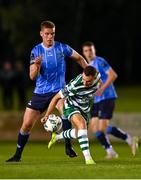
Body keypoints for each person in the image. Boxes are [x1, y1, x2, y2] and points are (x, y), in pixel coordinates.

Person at [6, 20, 88, 162]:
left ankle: (68, 146)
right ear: (41, 34)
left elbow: (80, 59)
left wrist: (89, 75)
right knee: (26, 124)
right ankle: (17, 155)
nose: (50, 37)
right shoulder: (36, 51)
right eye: (47, 34)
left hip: (59, 91)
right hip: (40, 93)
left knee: (65, 111)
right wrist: (36, 66)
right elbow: (32, 76)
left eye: (52, 34)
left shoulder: (63, 48)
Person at [82, 41, 138, 158]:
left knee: (102, 128)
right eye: (86, 51)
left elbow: (113, 75)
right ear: (83, 52)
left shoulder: (99, 61)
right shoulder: (89, 66)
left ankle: (129, 139)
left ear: (94, 50)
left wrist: (102, 89)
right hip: (97, 100)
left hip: (107, 97)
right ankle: (110, 151)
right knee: (94, 128)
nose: (89, 53)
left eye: (90, 50)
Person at [41, 66, 101, 165]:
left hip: (85, 109)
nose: (85, 83)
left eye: (88, 81)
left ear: (94, 78)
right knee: (81, 125)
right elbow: (56, 98)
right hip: (71, 107)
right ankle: (88, 159)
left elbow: (99, 84)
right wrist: (47, 115)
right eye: (84, 80)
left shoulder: (98, 77)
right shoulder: (74, 85)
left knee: (79, 133)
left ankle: (57, 137)